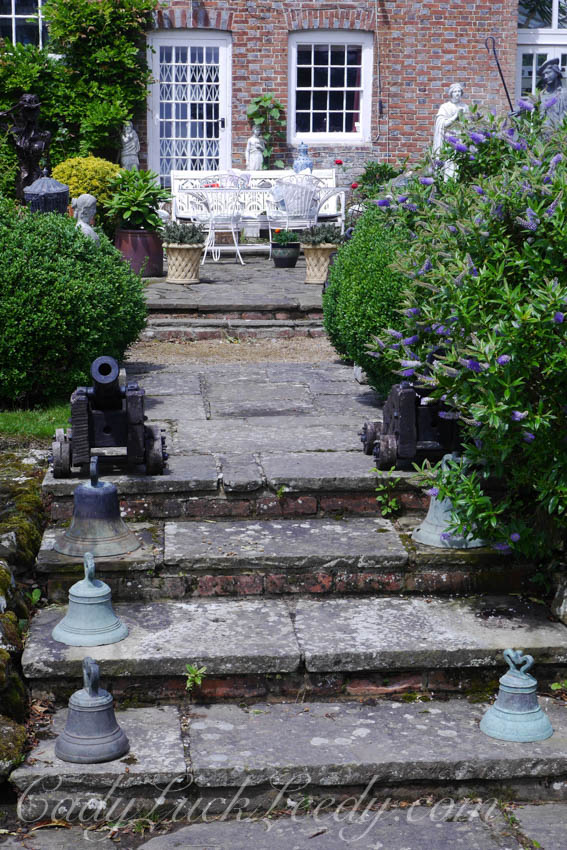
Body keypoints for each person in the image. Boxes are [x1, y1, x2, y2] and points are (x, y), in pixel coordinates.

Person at [0, 93, 51, 199]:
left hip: (38, 177)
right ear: (22, 112)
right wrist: (8, 112)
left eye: (34, 110)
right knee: (24, 197)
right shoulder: (16, 132)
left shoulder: (44, 135)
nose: (32, 114)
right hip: (23, 177)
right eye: (28, 111)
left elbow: (47, 160)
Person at [432, 83, 469, 179]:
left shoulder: (465, 107)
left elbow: (468, 123)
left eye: (459, 91)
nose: (457, 94)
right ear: (451, 93)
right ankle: (447, 181)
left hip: (461, 138)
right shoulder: (445, 107)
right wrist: (456, 116)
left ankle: (459, 182)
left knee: (459, 161)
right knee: (449, 161)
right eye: (455, 91)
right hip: (449, 139)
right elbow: (442, 124)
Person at [537, 58, 567, 130]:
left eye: (548, 72)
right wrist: (517, 110)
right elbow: (529, 104)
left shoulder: (565, 93)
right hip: (545, 136)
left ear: (556, 72)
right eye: (544, 75)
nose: (546, 77)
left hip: (562, 137)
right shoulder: (541, 95)